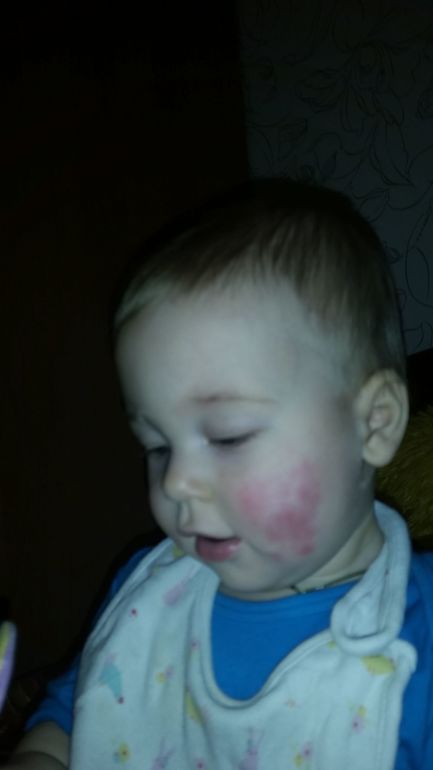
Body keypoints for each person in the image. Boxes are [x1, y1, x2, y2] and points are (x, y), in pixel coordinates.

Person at [6, 181, 433, 769]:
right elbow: (72, 715)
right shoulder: (149, 594)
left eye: (228, 436)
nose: (175, 482)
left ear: (375, 425)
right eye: (156, 446)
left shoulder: (420, 635)